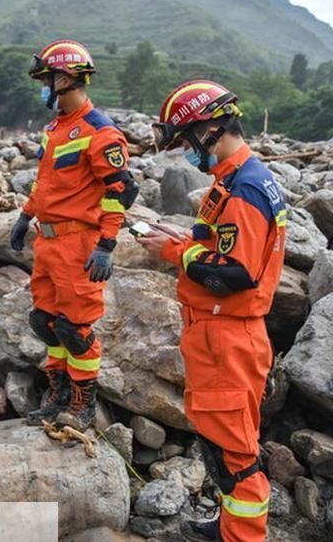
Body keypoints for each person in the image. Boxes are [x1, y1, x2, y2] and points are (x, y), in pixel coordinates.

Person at [136, 80, 286, 542]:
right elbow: (221, 248)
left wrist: (172, 254)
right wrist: (179, 240)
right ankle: (229, 526)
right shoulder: (236, 179)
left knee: (235, 457)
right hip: (218, 334)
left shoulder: (244, 190)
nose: (186, 153)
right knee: (221, 443)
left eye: (186, 141)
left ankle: (243, 536)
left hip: (228, 336)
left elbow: (235, 272)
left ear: (210, 129)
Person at [10, 39, 138, 430]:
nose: (43, 87)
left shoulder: (101, 132)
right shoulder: (54, 129)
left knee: (75, 328)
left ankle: (82, 405)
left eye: (47, 79)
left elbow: (121, 191)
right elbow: (46, 183)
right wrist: (24, 216)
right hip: (47, 241)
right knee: (44, 321)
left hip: (79, 243)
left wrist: (106, 245)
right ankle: (58, 395)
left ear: (66, 78)